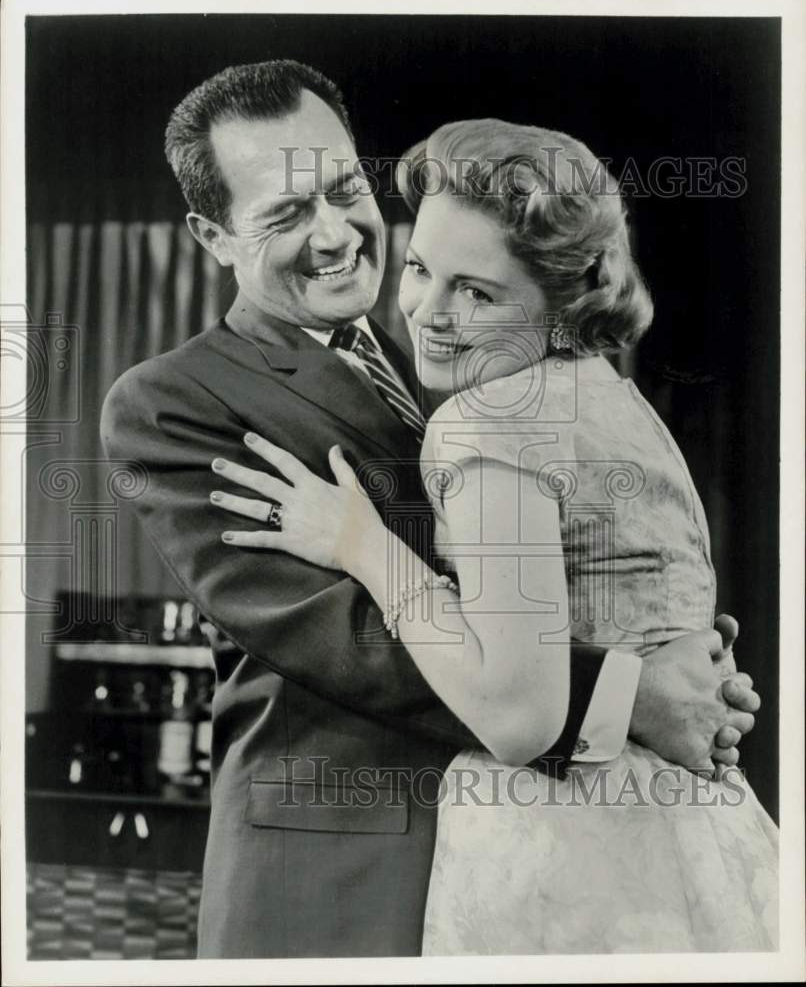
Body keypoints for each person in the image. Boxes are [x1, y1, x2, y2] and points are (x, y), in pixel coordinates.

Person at [101, 61, 760, 958]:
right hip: (342, 865)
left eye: (342, 189)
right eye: (286, 214)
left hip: (527, 846)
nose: (335, 234)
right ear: (212, 235)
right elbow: (342, 632)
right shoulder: (173, 403)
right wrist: (629, 692)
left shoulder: (456, 343)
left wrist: (657, 631)